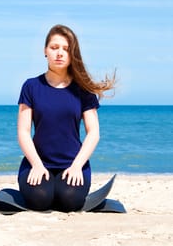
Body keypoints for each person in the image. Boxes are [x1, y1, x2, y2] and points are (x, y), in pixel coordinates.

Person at [17, 24, 116, 212]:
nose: (60, 53)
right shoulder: (31, 86)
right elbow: (23, 132)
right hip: (38, 162)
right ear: (45, 51)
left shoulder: (83, 90)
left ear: (73, 54)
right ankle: (47, 188)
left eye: (66, 49)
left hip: (73, 163)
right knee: (40, 199)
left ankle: (59, 189)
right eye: (54, 48)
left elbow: (93, 133)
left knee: (70, 201)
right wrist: (36, 166)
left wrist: (77, 166)